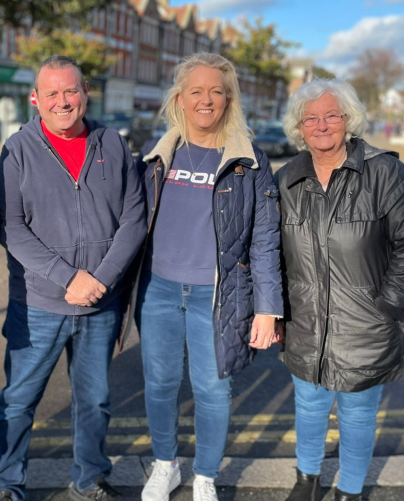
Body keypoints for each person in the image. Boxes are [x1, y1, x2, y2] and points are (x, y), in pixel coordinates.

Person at [0, 55, 147, 501]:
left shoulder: (113, 144)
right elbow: (11, 228)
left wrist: (101, 278)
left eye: (71, 91)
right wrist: (67, 278)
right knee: (19, 400)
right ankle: (8, 484)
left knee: (94, 400)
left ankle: (89, 478)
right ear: (36, 99)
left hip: (100, 302)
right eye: (52, 93)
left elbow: (134, 219)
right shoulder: (18, 149)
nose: (63, 101)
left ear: (85, 92)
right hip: (37, 304)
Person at [134, 53, 283, 501]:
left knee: (213, 389)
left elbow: (265, 238)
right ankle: (165, 466)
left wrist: (268, 308)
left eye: (216, 91)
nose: (206, 99)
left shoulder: (249, 160)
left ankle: (205, 476)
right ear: (179, 98)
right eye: (196, 90)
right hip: (157, 290)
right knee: (159, 384)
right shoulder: (157, 154)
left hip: (219, 295)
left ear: (228, 99)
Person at [275, 79, 404, 501]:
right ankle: (307, 481)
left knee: (358, 416)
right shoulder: (286, 180)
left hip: (366, 325)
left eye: (331, 115)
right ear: (298, 127)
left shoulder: (384, 171)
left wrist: (388, 305)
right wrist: (274, 310)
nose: (321, 124)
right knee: (309, 408)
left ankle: (349, 491)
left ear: (348, 119)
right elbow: (270, 252)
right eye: (310, 117)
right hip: (306, 323)